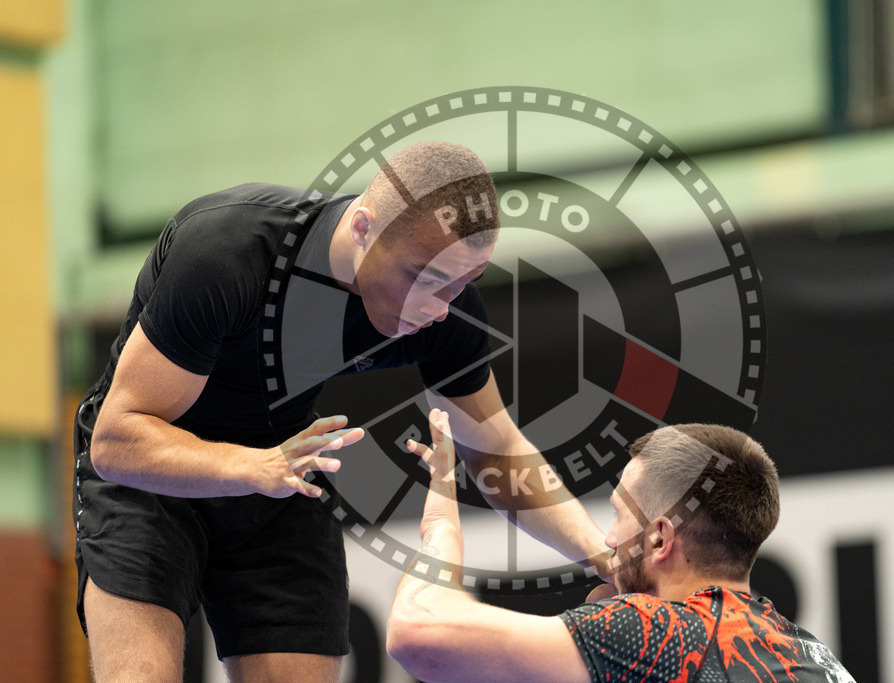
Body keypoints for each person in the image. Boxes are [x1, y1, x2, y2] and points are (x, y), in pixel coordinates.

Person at [74, 141, 611, 681]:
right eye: (424, 278)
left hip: (280, 478)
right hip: (153, 478)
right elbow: (117, 440)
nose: (439, 306)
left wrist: (602, 552)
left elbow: (497, 447)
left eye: (462, 282)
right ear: (363, 228)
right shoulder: (226, 252)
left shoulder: (445, 315)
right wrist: (252, 467)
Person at [388, 410, 854, 682]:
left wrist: (441, 523)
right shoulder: (814, 655)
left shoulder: (656, 631)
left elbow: (417, 631)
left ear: (659, 538)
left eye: (618, 515)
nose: (608, 540)